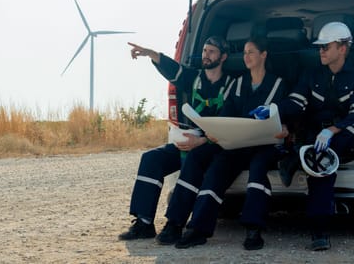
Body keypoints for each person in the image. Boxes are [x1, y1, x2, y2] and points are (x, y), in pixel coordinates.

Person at [160, 36, 289, 250]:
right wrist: (214, 132)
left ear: (263, 55)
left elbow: (286, 113)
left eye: (251, 52)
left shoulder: (278, 84)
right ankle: (191, 227)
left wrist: (286, 129)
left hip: (264, 145)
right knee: (212, 167)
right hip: (236, 143)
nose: (246, 57)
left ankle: (253, 230)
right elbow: (227, 112)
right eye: (244, 52)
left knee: (257, 170)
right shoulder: (238, 83)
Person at [118, 36, 232, 244]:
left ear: (223, 57)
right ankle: (143, 223)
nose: (206, 55)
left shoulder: (232, 85)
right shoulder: (194, 78)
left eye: (212, 52)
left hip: (215, 144)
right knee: (151, 159)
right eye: (205, 51)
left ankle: (175, 224)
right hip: (190, 140)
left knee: (193, 160)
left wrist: (203, 141)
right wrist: (150, 53)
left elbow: (231, 123)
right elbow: (173, 69)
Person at [276, 21, 354, 251]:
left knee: (323, 156)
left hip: (349, 132)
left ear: (342, 48)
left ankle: (296, 159)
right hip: (317, 134)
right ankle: (318, 229)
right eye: (319, 47)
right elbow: (296, 102)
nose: (320, 51)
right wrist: (273, 110)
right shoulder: (311, 75)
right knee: (321, 160)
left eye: (326, 47)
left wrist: (333, 130)